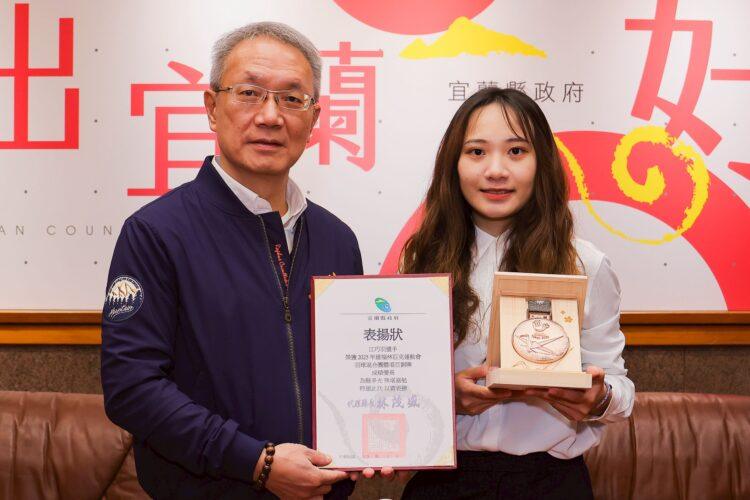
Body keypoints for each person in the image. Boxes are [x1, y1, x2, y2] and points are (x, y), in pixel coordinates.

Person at [101, 22, 387, 499]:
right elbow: (132, 387)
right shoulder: (157, 232)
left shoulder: (338, 240)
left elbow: (358, 373)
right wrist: (257, 462)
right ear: (212, 107)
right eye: (249, 93)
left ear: (314, 118)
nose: (270, 116)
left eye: (292, 99)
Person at [398, 87, 635, 499]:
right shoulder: (421, 261)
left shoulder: (585, 263)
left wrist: (598, 399)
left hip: (551, 483)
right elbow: (398, 381)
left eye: (516, 151)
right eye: (476, 152)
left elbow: (620, 389)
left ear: (541, 163)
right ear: (453, 164)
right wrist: (445, 396)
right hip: (445, 482)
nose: (496, 170)